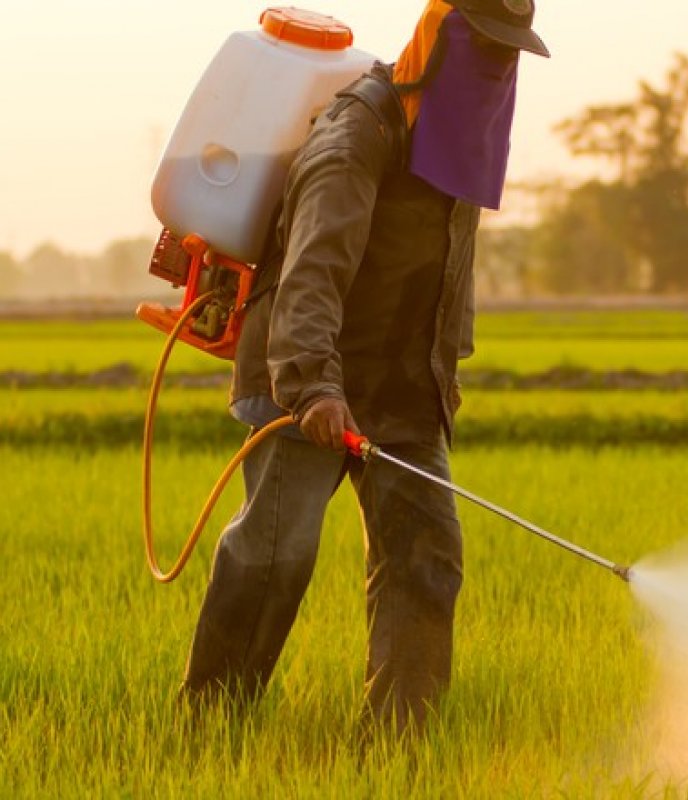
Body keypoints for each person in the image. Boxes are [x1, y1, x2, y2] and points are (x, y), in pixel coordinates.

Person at [180, 0, 549, 734]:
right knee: (276, 554)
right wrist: (315, 385)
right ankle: (211, 728)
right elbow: (312, 273)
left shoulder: (458, 146)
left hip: (401, 387)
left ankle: (396, 751)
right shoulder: (358, 135)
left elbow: (450, 278)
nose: (497, 66)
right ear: (440, 37)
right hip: (304, 372)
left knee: (427, 558)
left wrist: (441, 380)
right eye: (484, 45)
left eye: (510, 53)